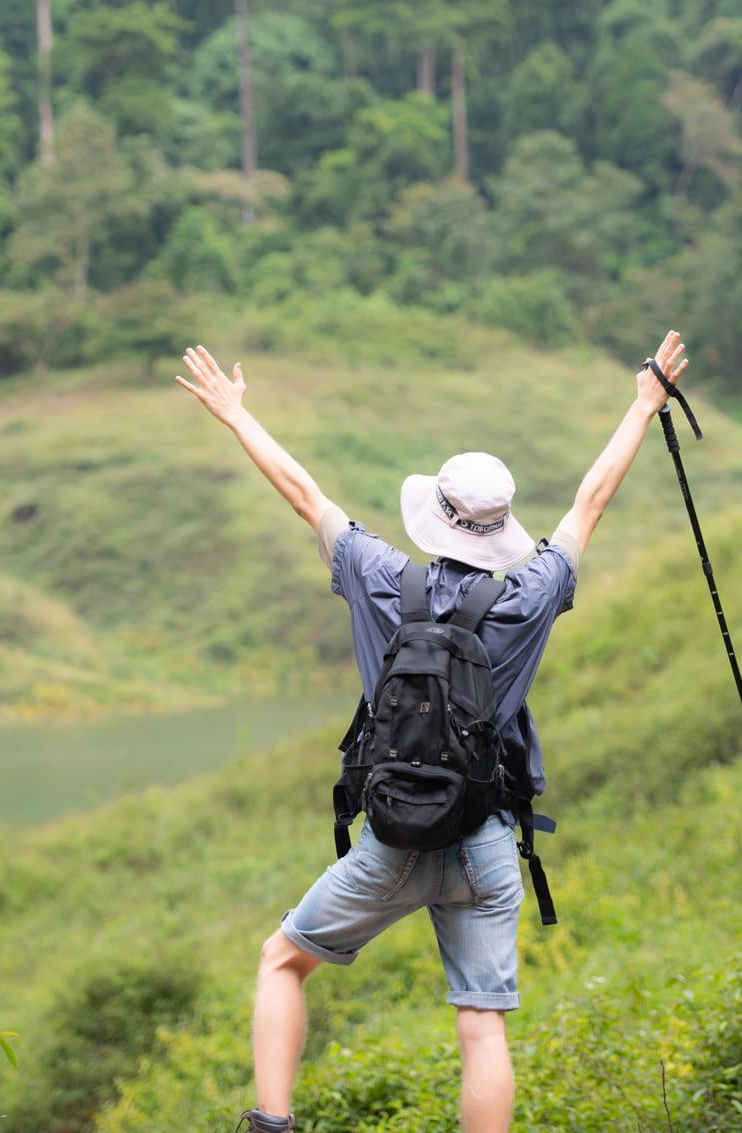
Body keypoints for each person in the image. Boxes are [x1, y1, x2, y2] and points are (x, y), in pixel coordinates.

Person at [173, 331, 692, 1133]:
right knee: (481, 1024)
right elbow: (590, 500)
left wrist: (237, 414)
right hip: (485, 839)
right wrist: (642, 403)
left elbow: (303, 492)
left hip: (393, 839)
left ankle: (271, 1125)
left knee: (283, 960)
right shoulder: (533, 592)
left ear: (436, 516)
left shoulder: (378, 574)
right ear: (499, 525)